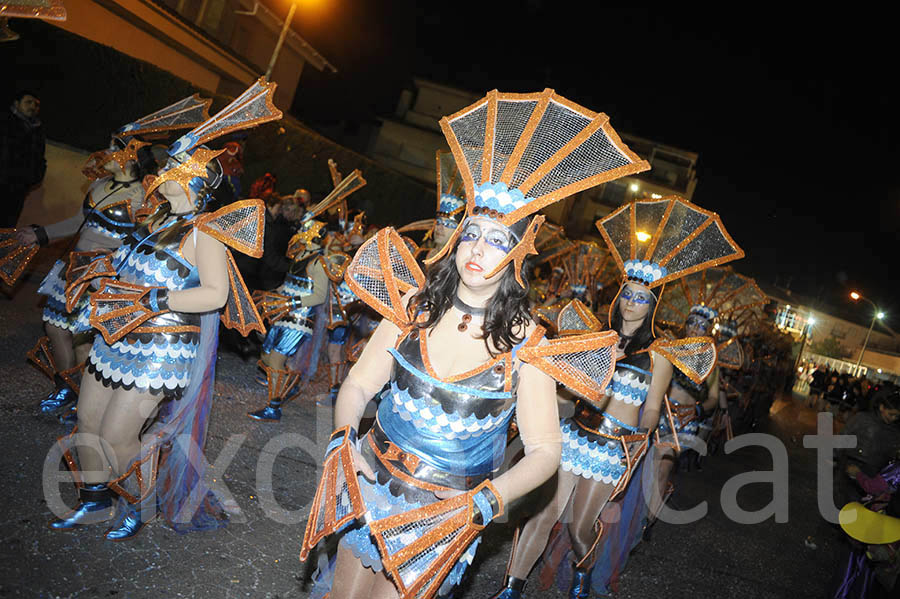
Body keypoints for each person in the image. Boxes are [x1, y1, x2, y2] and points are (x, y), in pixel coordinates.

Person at [300, 89, 649, 599]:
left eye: (496, 240)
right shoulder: (413, 310)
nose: (478, 249)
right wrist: (342, 444)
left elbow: (545, 453)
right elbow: (356, 387)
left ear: (515, 259)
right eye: (472, 234)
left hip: (444, 517)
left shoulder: (525, 345)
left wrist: (482, 504)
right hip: (371, 485)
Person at [47, 79, 279, 539]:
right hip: (117, 334)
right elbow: (127, 262)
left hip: (161, 347)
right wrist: (99, 273)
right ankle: (95, 502)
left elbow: (214, 294)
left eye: (173, 164)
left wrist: (153, 301)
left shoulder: (205, 232)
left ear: (193, 179)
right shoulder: (154, 218)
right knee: (87, 422)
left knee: (116, 437)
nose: (161, 170)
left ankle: (140, 501)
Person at [498, 196, 742, 599]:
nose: (631, 303)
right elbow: (571, 388)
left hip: (614, 448)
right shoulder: (599, 338)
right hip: (576, 434)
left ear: (652, 306)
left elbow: (650, 408)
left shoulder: (659, 354)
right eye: (627, 295)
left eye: (641, 298)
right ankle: (511, 589)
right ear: (618, 298)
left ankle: (582, 574)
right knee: (542, 515)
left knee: (580, 527)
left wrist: (636, 445)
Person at [13, 95, 212, 418]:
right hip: (74, 266)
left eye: (113, 146)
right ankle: (65, 387)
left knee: (84, 335)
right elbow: (81, 221)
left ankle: (81, 398)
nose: (105, 152)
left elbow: (146, 238)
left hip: (104, 272)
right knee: (55, 326)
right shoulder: (100, 186)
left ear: (131, 157)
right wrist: (41, 234)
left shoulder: (142, 195)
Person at [1, 90, 46, 227]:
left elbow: (39, 158)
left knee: (6, 226)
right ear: (16, 103)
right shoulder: (4, 123)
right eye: (28, 102)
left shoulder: (37, 131)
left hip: (18, 189)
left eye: (36, 104)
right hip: (3, 182)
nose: (33, 106)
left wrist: (34, 178)